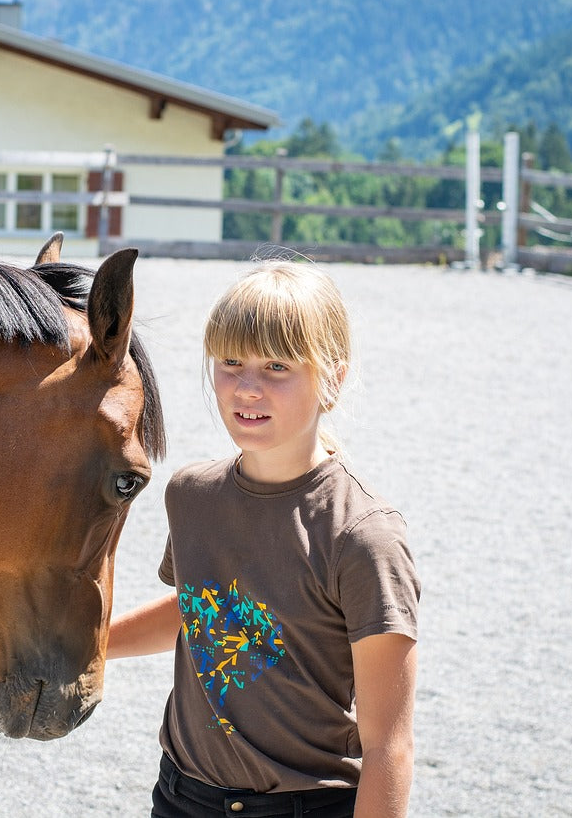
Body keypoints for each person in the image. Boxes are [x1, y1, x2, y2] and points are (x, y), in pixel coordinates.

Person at [108, 260, 420, 818]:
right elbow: (199, 610)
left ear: (334, 376)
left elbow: (388, 748)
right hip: (181, 797)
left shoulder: (363, 535)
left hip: (306, 805)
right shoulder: (190, 495)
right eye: (230, 362)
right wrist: (87, 643)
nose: (247, 388)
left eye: (278, 366)